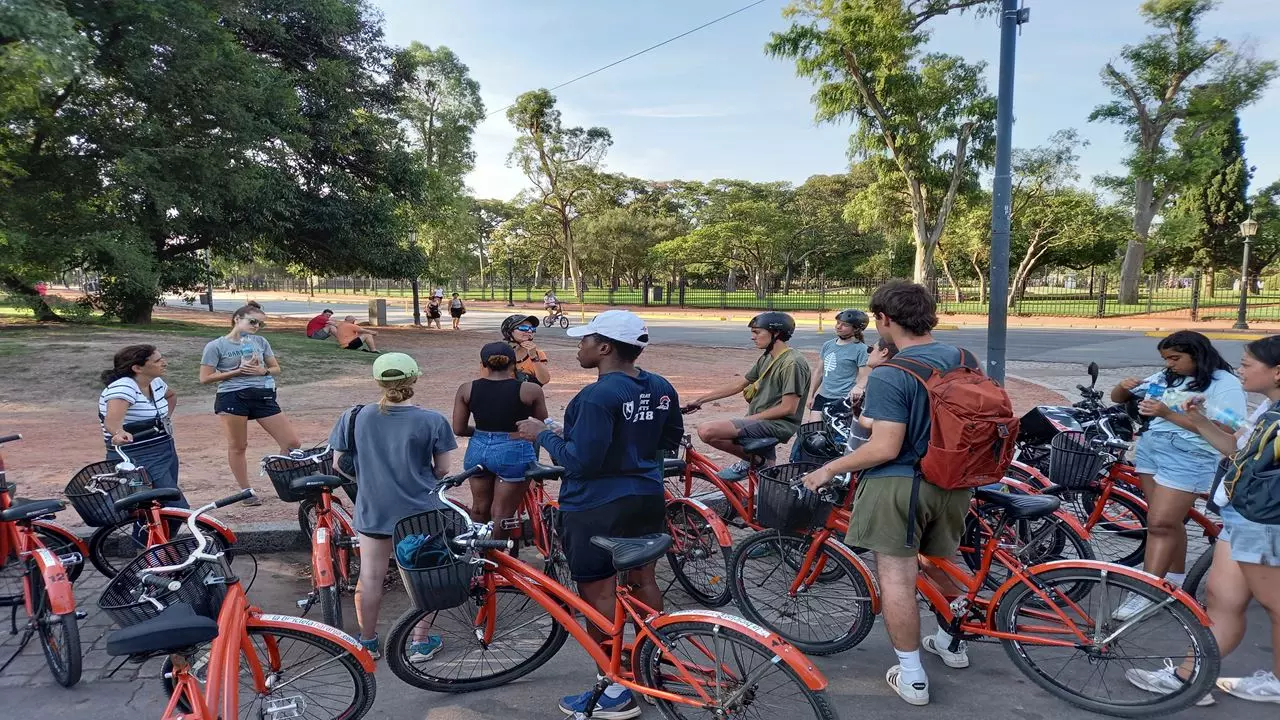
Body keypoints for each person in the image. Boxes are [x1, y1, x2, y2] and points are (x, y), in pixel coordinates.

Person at [800, 280, 972, 706]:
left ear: (884, 318)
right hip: (953, 481)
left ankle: (912, 677)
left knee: (897, 579)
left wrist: (828, 468)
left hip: (901, 484)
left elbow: (885, 447)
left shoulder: (893, 372)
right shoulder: (963, 358)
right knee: (940, 562)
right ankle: (951, 643)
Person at [511, 310, 683, 719]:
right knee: (643, 580)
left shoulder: (595, 397)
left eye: (585, 340)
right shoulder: (660, 386)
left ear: (604, 348)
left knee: (598, 593)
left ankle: (614, 688)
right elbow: (669, 440)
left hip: (594, 506)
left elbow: (580, 463)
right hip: (646, 496)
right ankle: (652, 667)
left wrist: (544, 434)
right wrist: (629, 453)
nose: (579, 346)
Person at [1124, 336, 1280, 706]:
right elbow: (1235, 447)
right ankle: (1189, 678)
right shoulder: (1268, 408)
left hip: (1265, 521)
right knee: (1222, 600)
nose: (1240, 370)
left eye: (1247, 364)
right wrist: (1196, 419)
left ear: (1277, 372)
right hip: (1242, 515)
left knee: (1275, 605)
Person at [327, 353, 456, 660]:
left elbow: (339, 464)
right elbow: (443, 470)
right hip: (421, 511)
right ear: (414, 379)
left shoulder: (354, 416)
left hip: (374, 509)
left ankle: (367, 642)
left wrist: (368, 477)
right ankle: (420, 641)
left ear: (378, 381)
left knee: (370, 577)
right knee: (425, 575)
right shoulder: (433, 420)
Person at [1110, 330, 1245, 620]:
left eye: (1175, 358)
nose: (1169, 364)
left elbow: (1227, 429)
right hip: (1152, 450)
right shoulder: (1168, 376)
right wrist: (1123, 386)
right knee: (1166, 522)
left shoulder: (1224, 383)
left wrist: (1167, 414)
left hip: (1189, 455)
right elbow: (1118, 397)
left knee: (1160, 523)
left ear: (1197, 355)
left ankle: (1148, 591)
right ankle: (1173, 580)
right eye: (1166, 358)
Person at [683, 312, 812, 481]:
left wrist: (750, 419)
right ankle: (763, 468)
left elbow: (788, 408)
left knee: (707, 431)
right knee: (765, 482)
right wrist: (699, 401)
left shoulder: (792, 363)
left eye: (757, 332)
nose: (753, 337)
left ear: (776, 333)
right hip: (761, 420)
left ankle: (756, 461)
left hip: (777, 424)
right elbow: (739, 384)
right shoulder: (768, 357)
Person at [199, 301, 301, 505]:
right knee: (238, 446)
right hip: (232, 396)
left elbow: (275, 368)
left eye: (260, 324)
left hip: (262, 394)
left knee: (291, 443)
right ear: (237, 319)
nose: (256, 326)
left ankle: (282, 479)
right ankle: (246, 491)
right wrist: (237, 371)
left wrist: (263, 371)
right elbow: (205, 378)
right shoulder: (216, 345)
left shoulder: (260, 342)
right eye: (253, 321)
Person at [453, 342, 548, 539]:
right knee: (502, 513)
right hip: (513, 449)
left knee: (480, 508)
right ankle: (499, 552)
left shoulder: (467, 389)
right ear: (514, 364)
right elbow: (540, 425)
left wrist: (483, 433)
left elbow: (459, 429)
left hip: (478, 449)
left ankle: (478, 551)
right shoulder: (530, 390)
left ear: (483, 364)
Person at [99, 345, 186, 508]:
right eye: (157, 361)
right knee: (174, 505)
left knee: (157, 506)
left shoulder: (155, 382)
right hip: (137, 455)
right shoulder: (123, 387)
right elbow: (111, 421)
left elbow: (171, 395)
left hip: (164, 449)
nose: (164, 363)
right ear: (137, 368)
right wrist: (118, 433)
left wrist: (164, 420)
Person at [809, 308, 870, 418]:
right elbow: (819, 372)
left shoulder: (861, 349)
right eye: (838, 323)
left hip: (842, 399)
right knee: (814, 428)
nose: (838, 326)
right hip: (823, 396)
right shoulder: (828, 345)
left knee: (836, 428)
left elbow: (864, 376)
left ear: (856, 329)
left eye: (845, 325)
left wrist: (858, 389)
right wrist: (811, 395)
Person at [501, 314, 551, 385]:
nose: (529, 331)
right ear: (510, 331)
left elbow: (544, 380)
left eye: (532, 329)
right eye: (523, 328)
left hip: (528, 392)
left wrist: (534, 357)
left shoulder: (538, 354)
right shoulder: (499, 352)